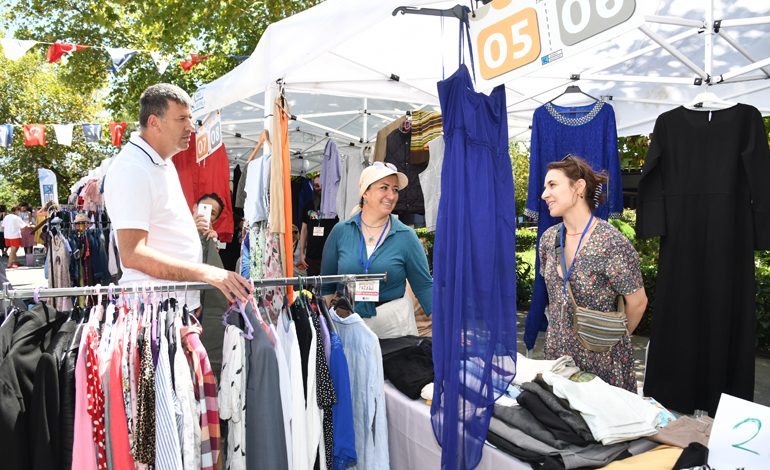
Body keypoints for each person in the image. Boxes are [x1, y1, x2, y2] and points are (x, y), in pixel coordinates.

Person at [103, 83, 252, 309]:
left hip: (173, 306)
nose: (191, 127)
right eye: (181, 119)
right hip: (153, 312)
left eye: (190, 118)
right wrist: (206, 273)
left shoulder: (162, 162)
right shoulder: (132, 168)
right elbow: (132, 254)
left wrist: (192, 230)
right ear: (154, 122)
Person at [538, 154, 647, 391]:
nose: (544, 194)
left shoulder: (611, 243)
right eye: (545, 187)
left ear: (579, 187)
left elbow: (637, 303)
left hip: (602, 365)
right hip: (558, 362)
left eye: (552, 185)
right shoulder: (548, 240)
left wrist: (609, 338)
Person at [320, 162, 433, 338]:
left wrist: (448, 328)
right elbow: (326, 286)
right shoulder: (341, 231)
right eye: (384, 188)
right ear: (365, 192)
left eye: (395, 189)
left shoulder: (406, 236)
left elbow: (424, 287)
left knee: (393, 366)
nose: (392, 195)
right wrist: (324, 330)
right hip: (348, 323)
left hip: (394, 327)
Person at [299, 176, 338, 275]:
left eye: (322, 186)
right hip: (312, 257)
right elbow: (304, 230)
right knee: (311, 288)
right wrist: (301, 253)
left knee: (328, 288)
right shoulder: (308, 205)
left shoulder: (334, 206)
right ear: (313, 187)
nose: (319, 188)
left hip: (329, 257)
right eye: (316, 186)